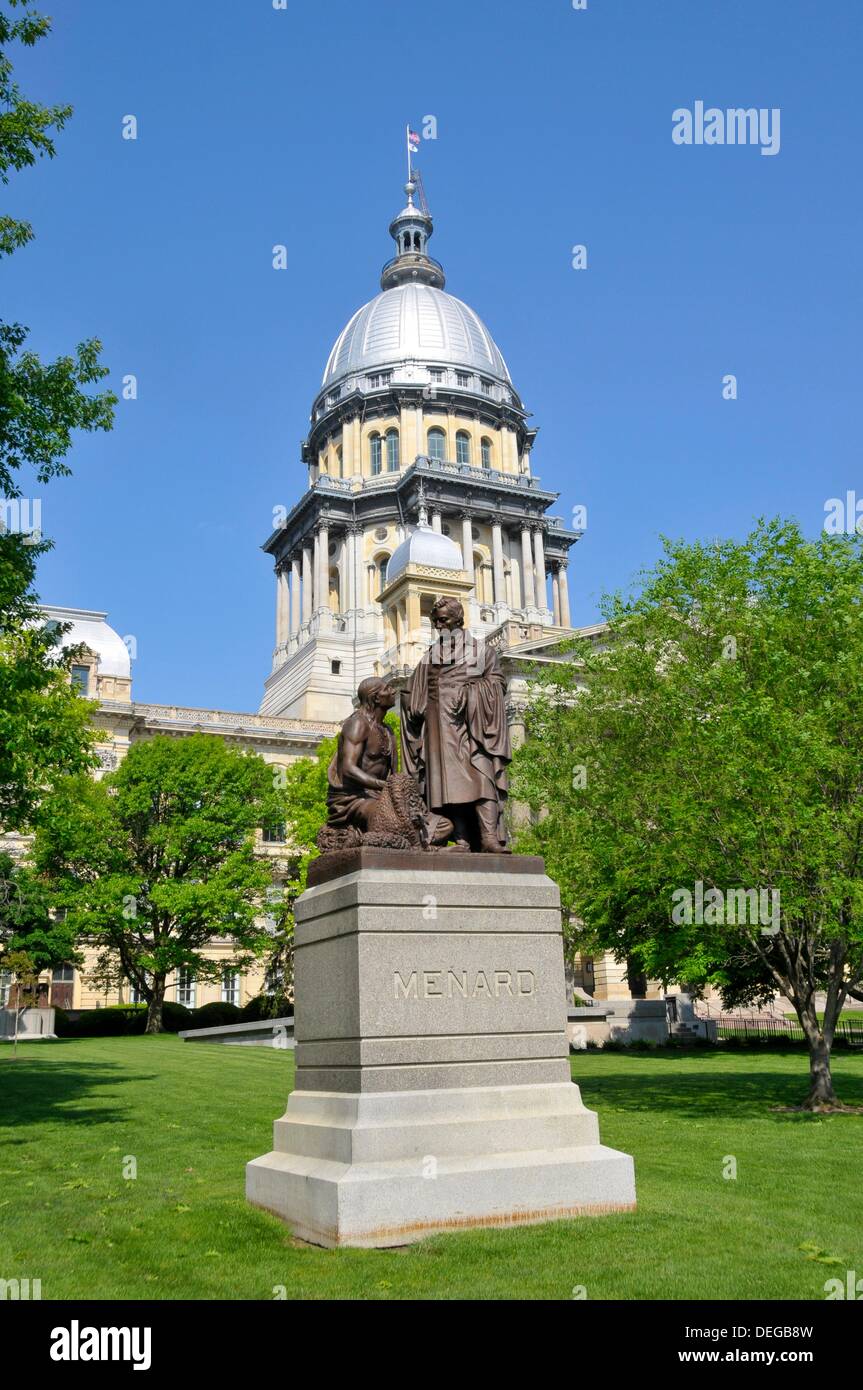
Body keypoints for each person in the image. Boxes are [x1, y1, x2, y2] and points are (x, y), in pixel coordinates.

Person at [401, 596, 511, 852]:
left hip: (473, 726)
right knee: (447, 784)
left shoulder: (481, 651)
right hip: (439, 727)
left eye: (443, 621)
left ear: (458, 619)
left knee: (482, 777)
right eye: (436, 622)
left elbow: (497, 683)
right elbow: (412, 692)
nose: (439, 627)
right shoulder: (430, 656)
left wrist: (472, 692)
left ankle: (488, 837)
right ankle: (461, 838)